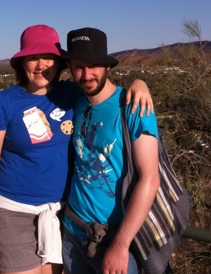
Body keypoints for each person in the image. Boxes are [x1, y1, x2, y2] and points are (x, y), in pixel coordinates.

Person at [0, 24, 154, 274]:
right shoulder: (4, 102)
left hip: (59, 216)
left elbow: (104, 90)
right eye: (33, 57)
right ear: (21, 62)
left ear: (59, 62)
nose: (41, 65)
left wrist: (140, 83)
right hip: (14, 212)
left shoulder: (72, 94)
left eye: (48, 57)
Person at [61, 27, 165, 274]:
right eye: (78, 67)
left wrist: (121, 245)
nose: (86, 74)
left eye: (93, 65)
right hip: (71, 230)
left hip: (112, 239)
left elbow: (150, 179)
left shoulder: (134, 108)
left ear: (108, 67)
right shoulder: (77, 103)